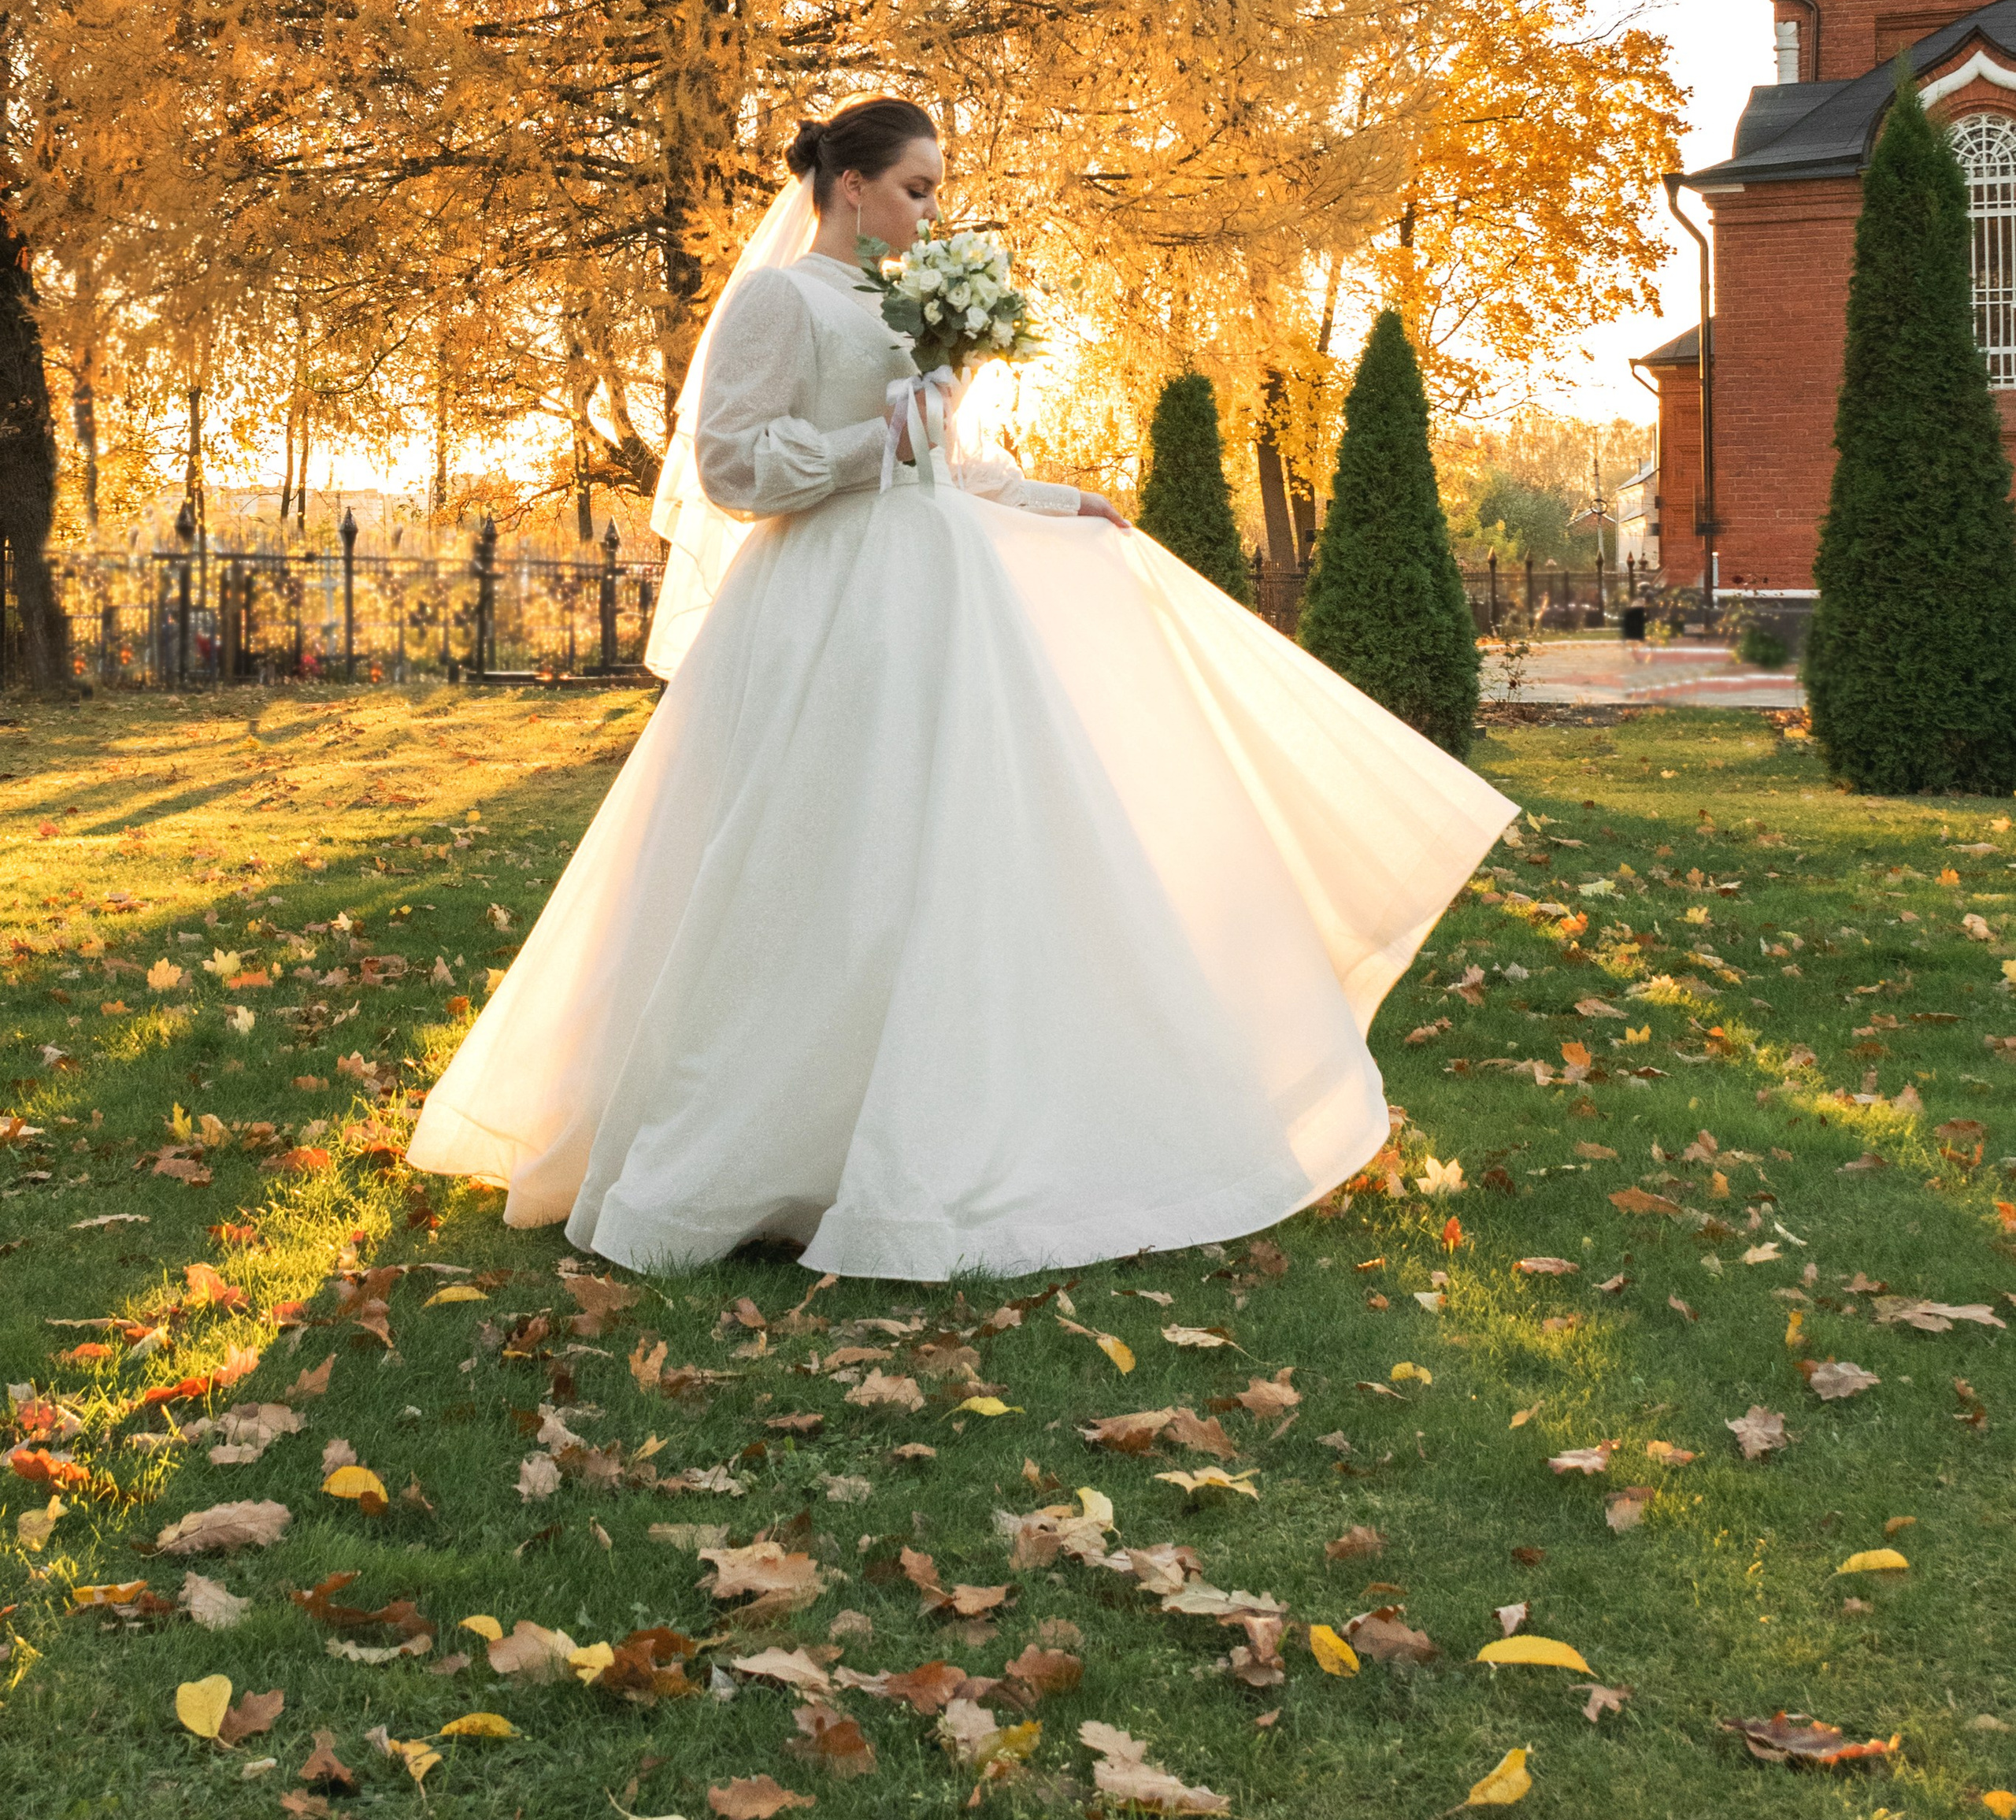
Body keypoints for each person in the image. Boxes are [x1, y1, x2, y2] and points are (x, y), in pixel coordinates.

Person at [406, 95, 1515, 1277]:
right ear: (847, 186)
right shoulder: (781, 299)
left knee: (953, 858)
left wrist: (1048, 498)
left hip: (936, 608)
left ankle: (941, 1126)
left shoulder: (905, 302)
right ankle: (757, 1147)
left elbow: (941, 454)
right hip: (827, 611)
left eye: (938, 190)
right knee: (820, 861)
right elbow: (733, 462)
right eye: (916, 188)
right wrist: (858, 450)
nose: (933, 211)